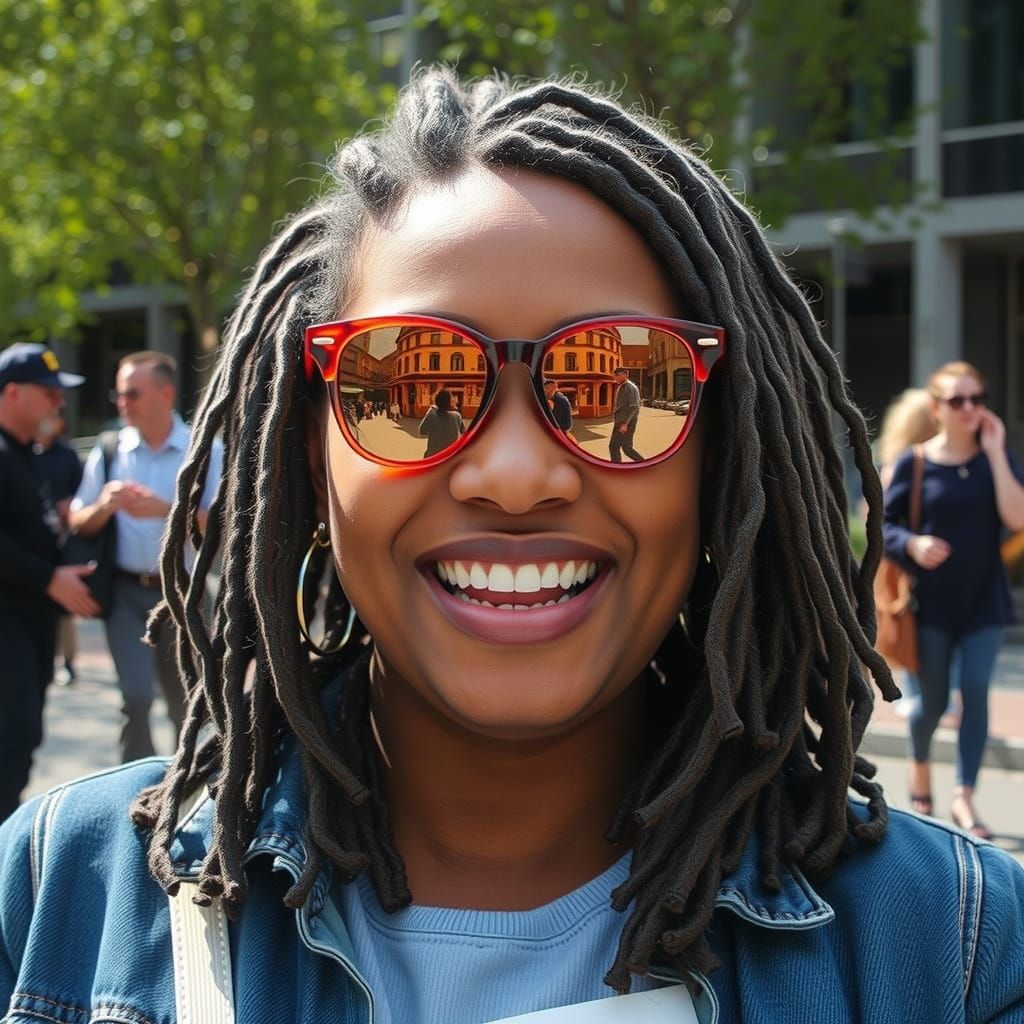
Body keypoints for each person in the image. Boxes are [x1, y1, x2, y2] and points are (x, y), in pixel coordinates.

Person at [2, 70, 1023, 1024]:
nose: (517, 474)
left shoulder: (964, 949)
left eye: (620, 381)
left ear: (719, 466)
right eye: (409, 384)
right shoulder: (52, 897)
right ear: (311, 459)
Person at [884, 361, 1024, 839]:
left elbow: (1017, 515)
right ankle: (920, 763)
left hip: (984, 603)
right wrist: (913, 545)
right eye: (958, 400)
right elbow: (883, 526)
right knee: (934, 702)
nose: (969, 408)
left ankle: (965, 795)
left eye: (977, 399)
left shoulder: (994, 460)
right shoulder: (916, 462)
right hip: (931, 607)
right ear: (937, 408)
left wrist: (998, 450)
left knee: (978, 689)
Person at [69, 351, 221, 762]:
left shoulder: (204, 449)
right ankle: (137, 789)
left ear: (165, 393)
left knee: (186, 704)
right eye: (118, 393)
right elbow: (80, 522)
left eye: (132, 393)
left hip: (183, 597)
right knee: (134, 699)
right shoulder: (110, 448)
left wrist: (168, 509)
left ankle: (184, 785)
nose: (122, 402)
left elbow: (226, 522)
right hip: (124, 594)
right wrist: (104, 505)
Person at [0, 344, 97, 821]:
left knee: (22, 740)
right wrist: (47, 577)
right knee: (10, 738)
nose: (58, 403)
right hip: (8, 624)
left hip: (32, 622)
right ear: (12, 392)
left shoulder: (28, 455)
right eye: (48, 393)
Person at [873, 388, 939, 720]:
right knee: (909, 619)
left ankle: (915, 691)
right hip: (907, 556)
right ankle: (915, 691)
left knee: (908, 621)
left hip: (900, 555)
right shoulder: (910, 463)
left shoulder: (894, 459)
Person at [34, 410, 85, 685]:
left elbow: (80, 498)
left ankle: (68, 661)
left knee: (65, 609)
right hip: (34, 544)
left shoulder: (67, 455)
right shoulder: (23, 451)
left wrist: (70, 509)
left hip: (63, 540)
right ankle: (45, 659)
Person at [418, 386, 465, 458]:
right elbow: (464, 432)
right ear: (449, 402)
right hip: (450, 457)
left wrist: (430, 411)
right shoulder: (457, 416)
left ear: (436, 401)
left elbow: (422, 431)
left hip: (432, 457)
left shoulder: (432, 414)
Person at [609, 365, 642, 462]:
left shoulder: (631, 388)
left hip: (625, 423)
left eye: (616, 375)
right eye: (614, 376)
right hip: (620, 422)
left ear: (625, 375)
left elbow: (634, 407)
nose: (615, 378)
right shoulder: (622, 387)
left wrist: (625, 423)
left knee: (614, 446)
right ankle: (646, 465)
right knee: (627, 448)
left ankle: (616, 469)